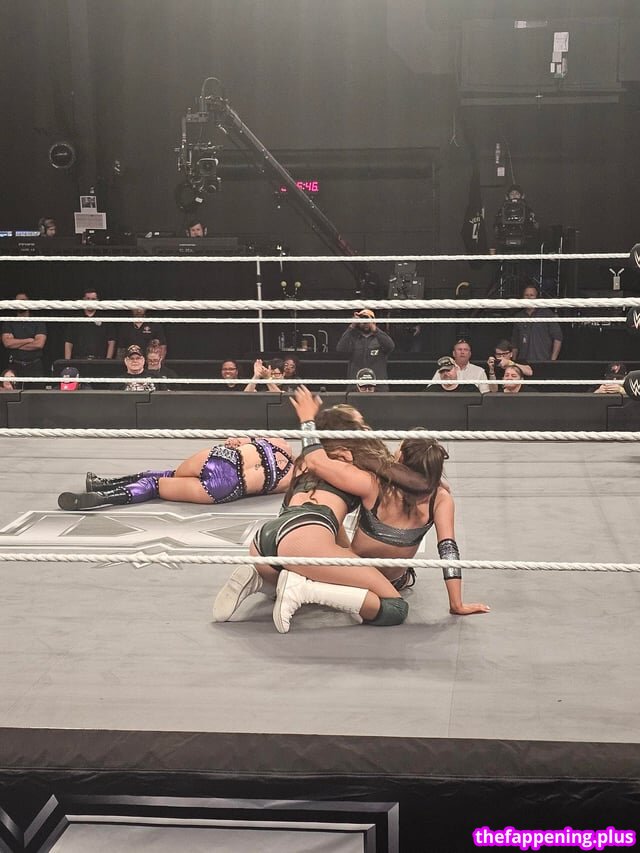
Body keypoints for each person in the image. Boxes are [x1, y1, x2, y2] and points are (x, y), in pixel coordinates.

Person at [214, 391, 489, 632]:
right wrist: (307, 420)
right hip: (309, 537)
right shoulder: (362, 471)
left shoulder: (328, 469)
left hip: (269, 539)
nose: (368, 428)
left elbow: (319, 466)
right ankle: (304, 590)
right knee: (394, 608)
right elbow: (448, 547)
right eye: (361, 424)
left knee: (311, 570)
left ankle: (261, 580)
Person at [57, 435, 296, 511]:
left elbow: (237, 441)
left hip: (224, 460)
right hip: (229, 489)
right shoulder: (289, 483)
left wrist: (238, 443)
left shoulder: (282, 444)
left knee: (168, 475)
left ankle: (104, 484)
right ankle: (102, 497)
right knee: (156, 485)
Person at [336, 309, 394, 391]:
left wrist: (375, 329)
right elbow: (340, 349)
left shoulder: (380, 338)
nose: (365, 322)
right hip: (355, 388)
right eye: (362, 320)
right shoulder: (352, 338)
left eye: (367, 319)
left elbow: (390, 346)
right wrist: (352, 326)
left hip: (378, 387)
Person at [511, 283, 562, 363]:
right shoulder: (518, 316)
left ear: (537, 298)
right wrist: (513, 362)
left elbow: (558, 337)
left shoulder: (547, 314)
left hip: (543, 361)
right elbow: (515, 342)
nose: (529, 298)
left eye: (532, 295)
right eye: (526, 295)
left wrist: (552, 361)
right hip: (522, 362)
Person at [1, 292, 47, 380]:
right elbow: (7, 343)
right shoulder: (8, 321)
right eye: (17, 301)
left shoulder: (38, 321)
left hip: (35, 366)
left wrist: (16, 344)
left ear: (29, 302)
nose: (20, 303)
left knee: (37, 389)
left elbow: (39, 344)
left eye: (23, 301)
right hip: (14, 365)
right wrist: (29, 340)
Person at [64, 288, 115, 360]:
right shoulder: (75, 318)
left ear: (97, 301)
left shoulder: (105, 318)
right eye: (88, 299)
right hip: (78, 361)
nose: (90, 302)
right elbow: (69, 342)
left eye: (93, 299)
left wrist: (108, 361)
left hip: (100, 361)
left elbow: (111, 342)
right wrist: (67, 362)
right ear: (83, 300)